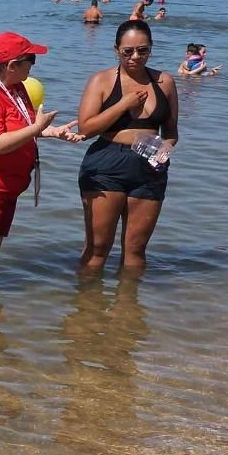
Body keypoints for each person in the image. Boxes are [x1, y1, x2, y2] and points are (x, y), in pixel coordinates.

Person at [0, 31, 83, 286]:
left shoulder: (15, 88)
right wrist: (36, 127)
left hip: (3, 184)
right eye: (31, 59)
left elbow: (19, 128)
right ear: (11, 65)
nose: (33, 65)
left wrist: (51, 131)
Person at [76, 20, 179, 271]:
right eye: (128, 51)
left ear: (151, 48)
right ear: (116, 50)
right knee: (98, 248)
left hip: (149, 165)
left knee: (136, 250)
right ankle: (86, 297)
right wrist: (123, 105)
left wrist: (165, 148)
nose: (135, 57)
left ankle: (129, 297)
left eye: (142, 50)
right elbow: (85, 129)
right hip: (106, 163)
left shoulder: (164, 82)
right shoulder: (101, 80)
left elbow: (171, 133)